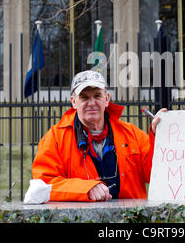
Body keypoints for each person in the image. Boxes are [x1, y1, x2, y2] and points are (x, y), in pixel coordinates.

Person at [31, 70, 165, 201]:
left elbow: (155, 175)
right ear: (73, 102)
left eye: (97, 96)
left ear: (106, 99)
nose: (91, 103)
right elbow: (42, 186)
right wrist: (85, 189)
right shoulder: (55, 138)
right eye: (84, 97)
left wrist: (158, 138)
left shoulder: (132, 134)